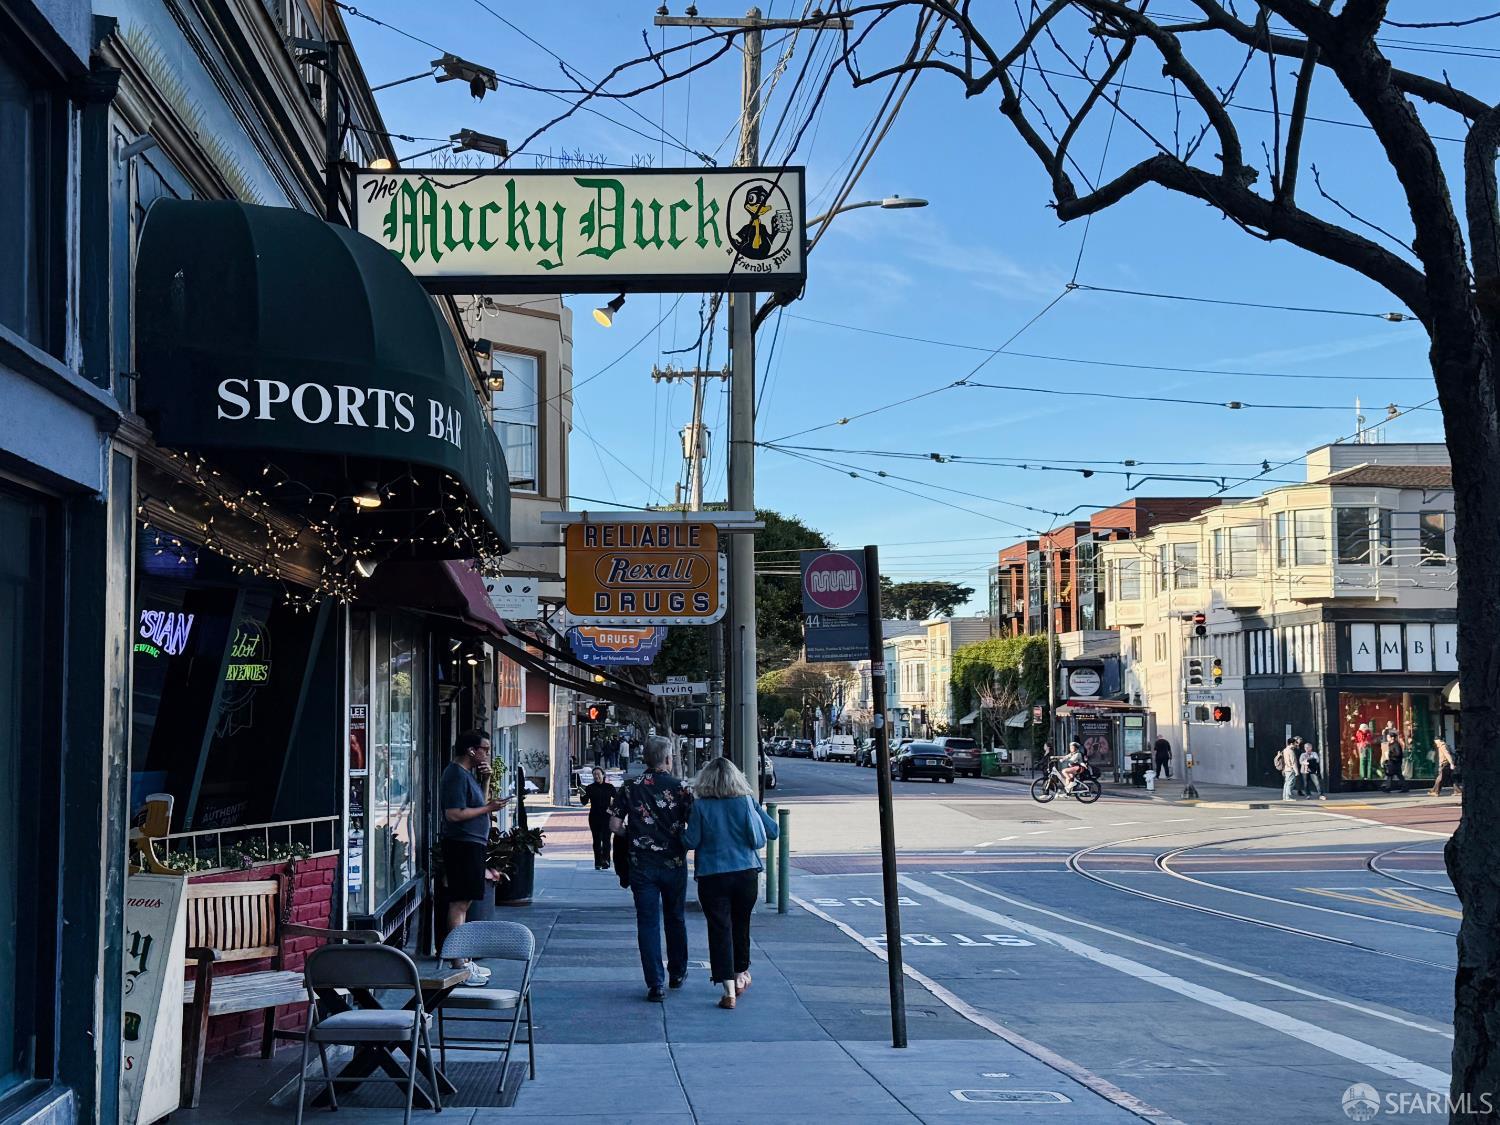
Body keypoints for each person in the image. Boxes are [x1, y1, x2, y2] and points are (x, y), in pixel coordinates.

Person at [683, 757, 779, 1010]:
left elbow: (691, 841)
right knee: (741, 924)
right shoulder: (746, 801)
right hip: (746, 873)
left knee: (719, 928)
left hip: (712, 876)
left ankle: (728, 990)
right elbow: (772, 831)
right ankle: (740, 974)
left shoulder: (701, 806)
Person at [611, 735, 694, 1002]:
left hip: (641, 864)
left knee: (647, 922)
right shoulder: (681, 788)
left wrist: (634, 834)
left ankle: (655, 982)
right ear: (668, 758)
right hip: (674, 863)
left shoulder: (629, 787)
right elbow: (694, 825)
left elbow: (613, 825)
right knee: (675, 917)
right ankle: (677, 972)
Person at [441, 730, 510, 984]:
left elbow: (479, 804)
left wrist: (486, 780)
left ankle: (464, 959)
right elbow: (455, 814)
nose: (487, 754)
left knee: (466, 901)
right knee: (459, 902)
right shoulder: (455, 775)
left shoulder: (468, 776)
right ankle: (458, 962)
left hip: (472, 843)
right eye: (485, 749)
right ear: (472, 750)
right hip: (461, 844)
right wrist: (490, 808)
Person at [581, 767, 617, 871]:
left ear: (603, 775)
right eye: (594, 775)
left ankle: (606, 861)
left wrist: (612, 810)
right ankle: (597, 862)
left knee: (606, 840)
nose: (596, 776)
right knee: (596, 840)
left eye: (598, 774)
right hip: (594, 817)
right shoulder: (589, 788)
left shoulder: (610, 787)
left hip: (607, 817)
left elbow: (617, 800)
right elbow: (584, 802)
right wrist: (582, 792)